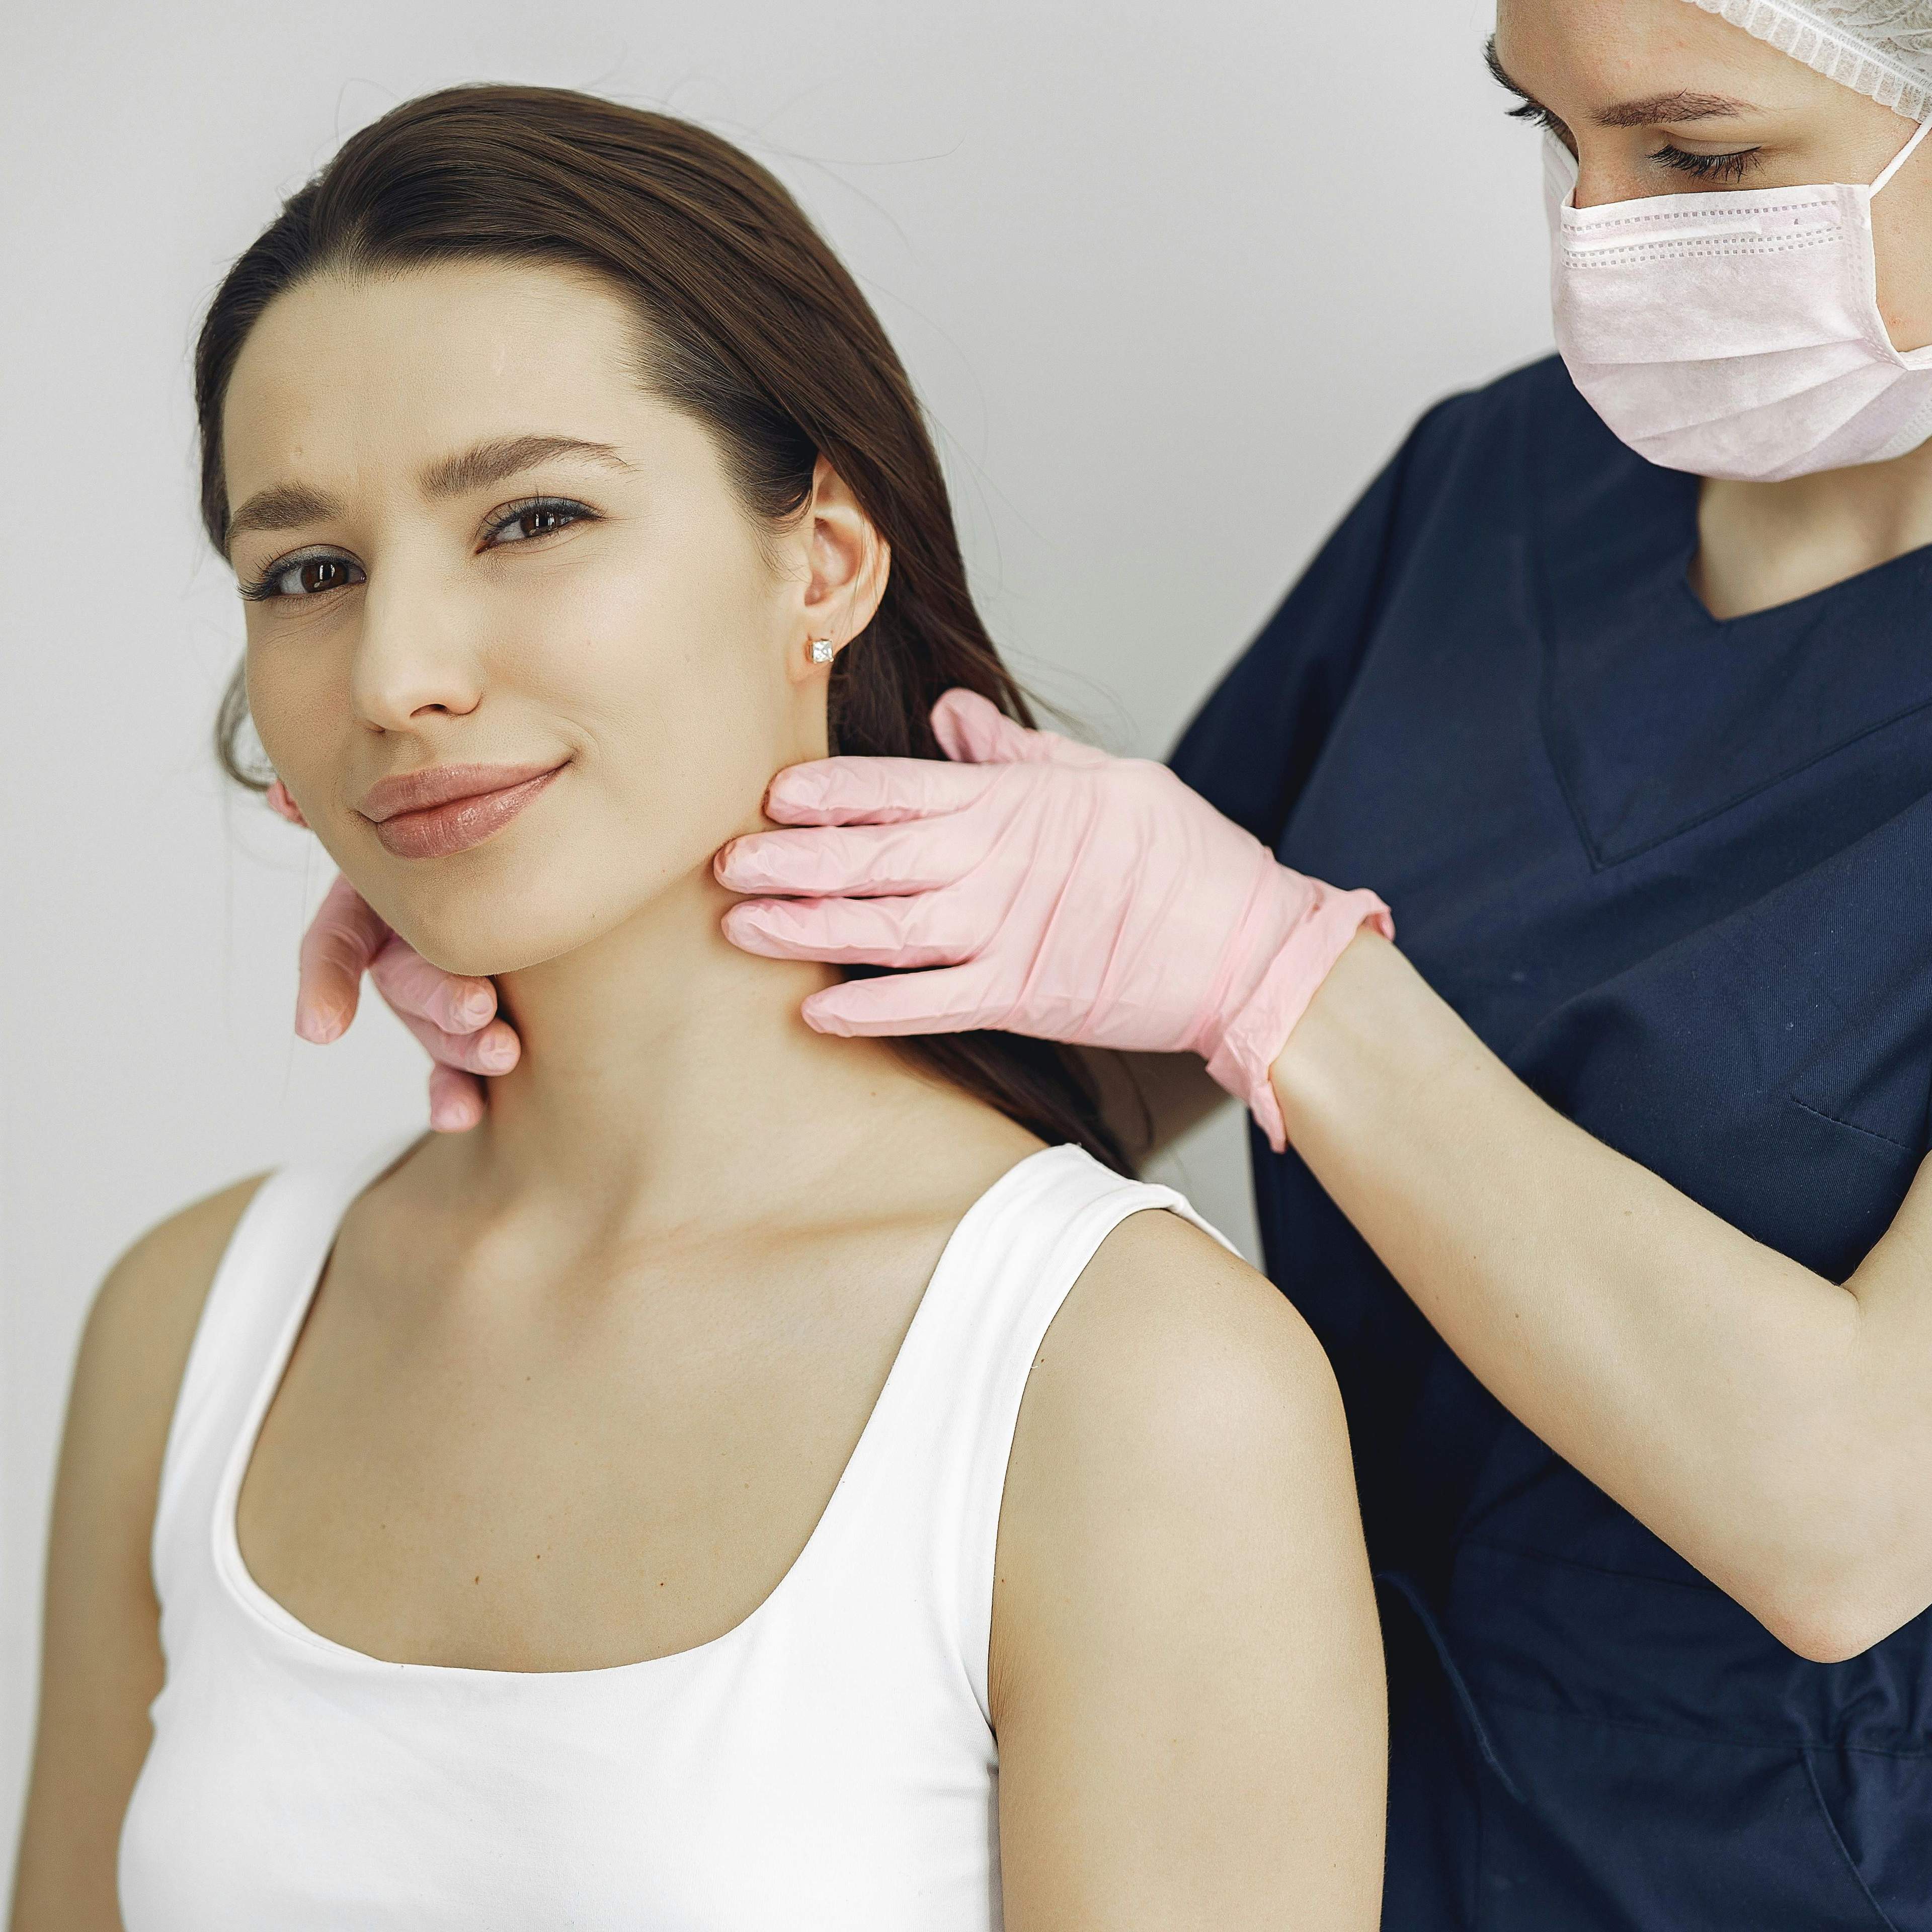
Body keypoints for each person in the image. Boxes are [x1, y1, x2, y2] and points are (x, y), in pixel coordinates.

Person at [297, 4, 1932, 1927]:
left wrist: (1287, 977)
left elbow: (1853, 1514)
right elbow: (1086, 1052)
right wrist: (596, 916)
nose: (1598, 232)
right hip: (1282, 1791)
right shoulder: (1501, 487)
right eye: (1550, 137)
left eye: (1700, 156)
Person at [7, 87, 1389, 1931]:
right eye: (309, 573)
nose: (398, 676)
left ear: (823, 562)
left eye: (532, 518)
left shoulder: (1134, 1382)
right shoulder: (196, 1328)